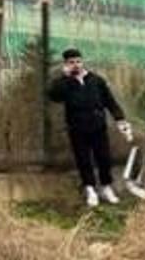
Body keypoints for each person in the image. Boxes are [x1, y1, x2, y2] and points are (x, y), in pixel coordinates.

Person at [48, 48, 132, 208]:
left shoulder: (96, 80)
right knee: (83, 159)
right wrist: (66, 78)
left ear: (82, 61)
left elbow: (110, 101)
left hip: (98, 126)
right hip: (77, 127)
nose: (76, 65)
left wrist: (120, 119)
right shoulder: (65, 83)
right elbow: (54, 96)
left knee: (104, 158)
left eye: (78, 61)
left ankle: (106, 187)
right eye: (71, 62)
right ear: (66, 64)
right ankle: (90, 189)